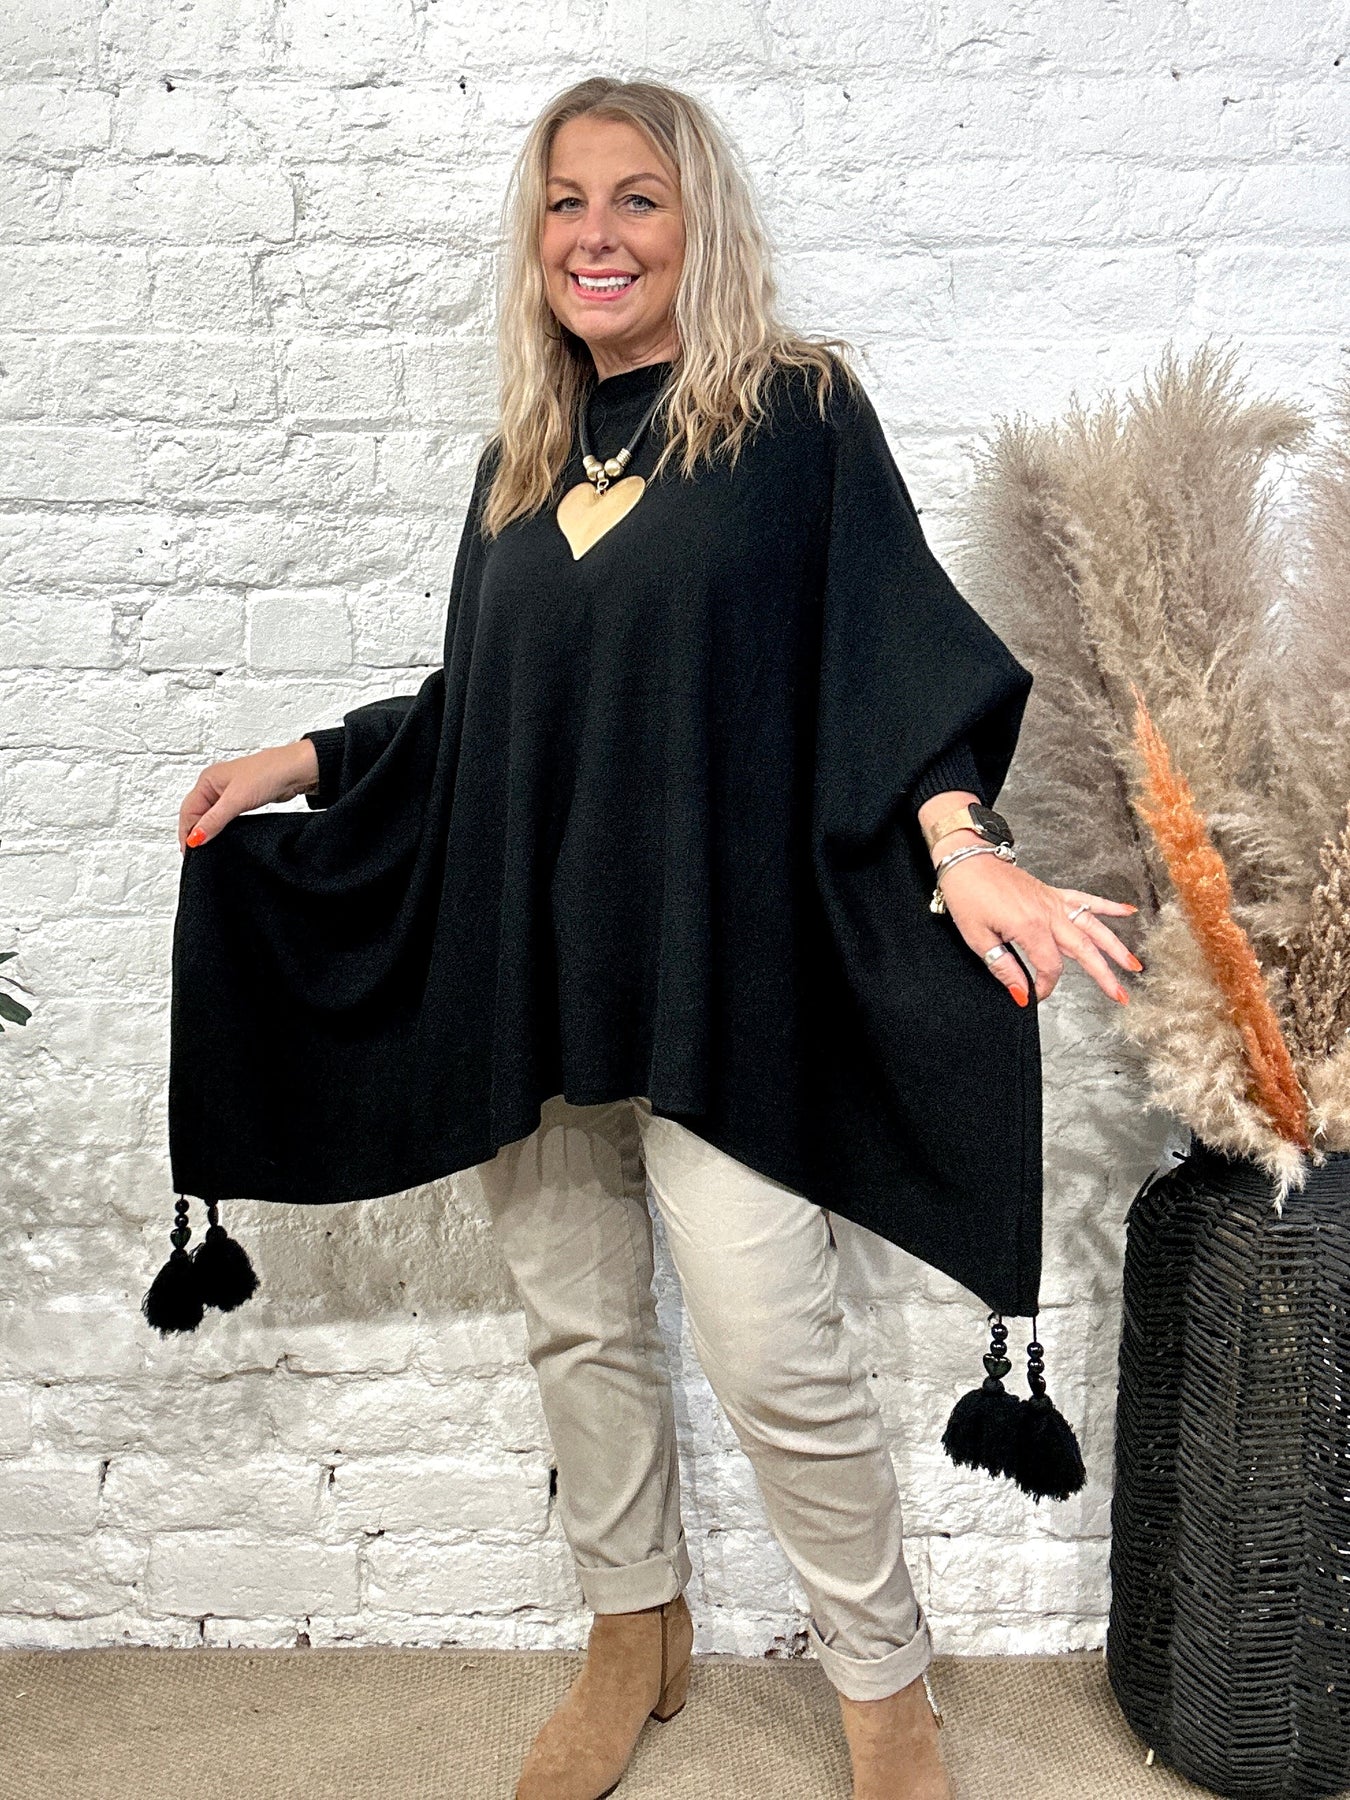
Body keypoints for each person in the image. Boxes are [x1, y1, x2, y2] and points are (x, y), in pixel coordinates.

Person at [168, 78, 1142, 1800]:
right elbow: (492, 717)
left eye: (636, 198)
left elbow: (883, 655)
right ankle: (635, 1629)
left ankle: (884, 1690)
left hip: (724, 962)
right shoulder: (519, 461)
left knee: (772, 1343)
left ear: (699, 224)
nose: (595, 236)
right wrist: (302, 761)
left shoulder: (794, 416)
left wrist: (960, 841)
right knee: (576, 1321)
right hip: (528, 957)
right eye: (565, 202)